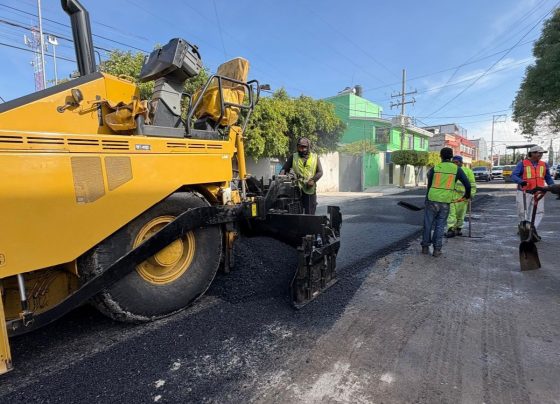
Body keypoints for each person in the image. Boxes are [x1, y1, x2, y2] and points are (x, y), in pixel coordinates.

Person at [421, 147, 471, 257]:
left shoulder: (435, 168)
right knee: (440, 225)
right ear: (451, 157)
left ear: (441, 156)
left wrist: (427, 199)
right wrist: (466, 196)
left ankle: (425, 247)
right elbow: (467, 185)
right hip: (445, 201)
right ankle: (436, 250)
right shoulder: (456, 169)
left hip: (432, 199)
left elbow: (429, 185)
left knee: (428, 224)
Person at [510, 145, 555, 239]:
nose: (540, 155)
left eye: (541, 153)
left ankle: (531, 228)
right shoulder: (522, 164)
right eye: (539, 153)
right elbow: (513, 176)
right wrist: (521, 181)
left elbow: (548, 178)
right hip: (524, 192)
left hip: (539, 192)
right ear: (532, 153)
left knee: (539, 212)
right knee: (522, 211)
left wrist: (553, 187)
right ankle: (523, 227)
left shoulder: (544, 164)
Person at [279, 137, 323, 214]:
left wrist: (313, 180)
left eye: (304, 147)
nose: (302, 150)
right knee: (296, 212)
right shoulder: (293, 157)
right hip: (296, 189)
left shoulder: (315, 157)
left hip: (309, 189)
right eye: (300, 147)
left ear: (308, 147)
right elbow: (284, 169)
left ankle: (309, 221)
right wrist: (281, 176)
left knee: (310, 213)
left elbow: (320, 172)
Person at [446, 156, 476, 237]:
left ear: (461, 163)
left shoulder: (468, 171)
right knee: (451, 214)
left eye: (456, 162)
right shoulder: (450, 171)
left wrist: (471, 195)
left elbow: (472, 185)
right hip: (452, 195)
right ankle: (451, 229)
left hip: (463, 196)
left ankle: (458, 228)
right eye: (453, 162)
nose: (455, 164)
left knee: (461, 214)